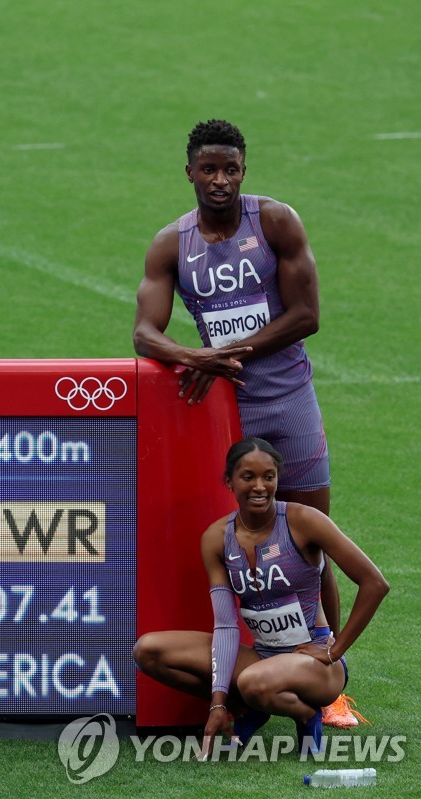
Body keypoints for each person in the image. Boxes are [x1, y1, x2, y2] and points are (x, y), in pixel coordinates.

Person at [132, 119, 360, 728]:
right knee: (246, 546)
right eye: (208, 169)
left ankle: (329, 683)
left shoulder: (276, 222)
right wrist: (193, 357)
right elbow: (144, 332)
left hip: (289, 405)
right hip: (225, 414)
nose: (220, 180)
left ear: (244, 170)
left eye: (230, 169)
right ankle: (253, 674)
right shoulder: (170, 245)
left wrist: (227, 356)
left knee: (313, 541)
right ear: (189, 173)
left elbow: (307, 314)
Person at [132, 438, 387, 756]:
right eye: (248, 476)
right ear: (229, 481)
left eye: (269, 476)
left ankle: (306, 713)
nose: (260, 486)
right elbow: (226, 626)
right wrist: (218, 703)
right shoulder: (216, 538)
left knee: (253, 680)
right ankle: (247, 707)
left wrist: (335, 650)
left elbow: (375, 583)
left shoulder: (304, 521)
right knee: (148, 651)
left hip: (315, 663)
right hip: (262, 658)